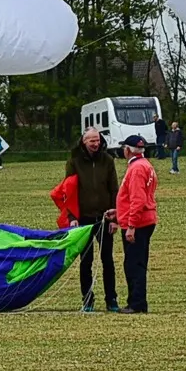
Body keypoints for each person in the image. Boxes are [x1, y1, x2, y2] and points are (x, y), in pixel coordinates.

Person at [67, 127, 120, 313]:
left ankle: (111, 299)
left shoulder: (108, 160)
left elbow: (115, 189)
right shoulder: (74, 161)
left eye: (97, 140)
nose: (95, 144)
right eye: (92, 141)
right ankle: (87, 299)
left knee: (108, 260)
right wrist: (72, 217)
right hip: (84, 220)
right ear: (84, 142)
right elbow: (69, 190)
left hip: (106, 218)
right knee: (86, 261)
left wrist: (116, 218)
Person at [115, 133, 158, 314]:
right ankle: (136, 301)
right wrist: (118, 213)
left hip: (138, 224)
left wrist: (131, 225)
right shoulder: (146, 165)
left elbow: (138, 199)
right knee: (136, 261)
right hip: (144, 219)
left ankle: (137, 303)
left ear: (127, 150)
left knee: (134, 264)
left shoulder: (136, 169)